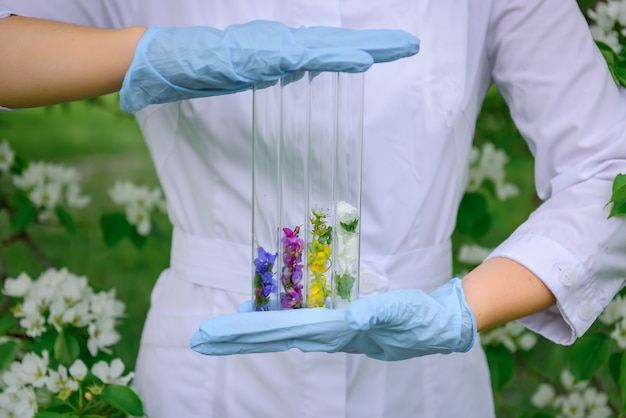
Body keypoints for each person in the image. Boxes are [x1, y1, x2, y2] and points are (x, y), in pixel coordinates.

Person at [1, 1, 625, 417]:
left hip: (420, 377)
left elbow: (609, 167)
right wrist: (150, 54)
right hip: (213, 364)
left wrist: (462, 309)